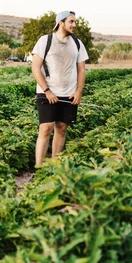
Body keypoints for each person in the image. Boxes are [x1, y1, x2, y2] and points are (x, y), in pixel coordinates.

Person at [31, 11, 89, 166]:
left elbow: (82, 70)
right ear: (61, 23)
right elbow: (35, 68)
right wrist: (47, 91)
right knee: (46, 128)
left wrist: (78, 92)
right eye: (71, 21)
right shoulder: (45, 41)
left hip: (68, 93)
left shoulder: (77, 44)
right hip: (47, 92)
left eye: (75, 22)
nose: (74, 25)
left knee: (62, 127)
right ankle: (39, 167)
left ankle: (55, 165)